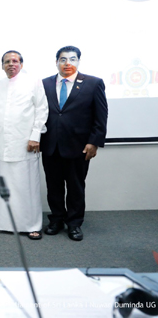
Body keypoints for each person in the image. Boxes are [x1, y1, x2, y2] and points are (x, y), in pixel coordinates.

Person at [40, 46, 108, 241]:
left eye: (72, 59)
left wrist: (94, 142)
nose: (67, 63)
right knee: (53, 186)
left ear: (78, 61)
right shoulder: (44, 84)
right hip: (51, 145)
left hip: (78, 146)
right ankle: (56, 220)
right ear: (56, 62)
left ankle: (74, 224)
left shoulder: (93, 83)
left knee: (76, 187)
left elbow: (101, 116)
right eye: (63, 59)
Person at [0, 51, 48, 240]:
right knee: (7, 186)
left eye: (15, 61)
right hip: (4, 144)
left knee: (27, 187)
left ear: (21, 64)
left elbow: (42, 109)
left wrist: (35, 136)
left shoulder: (33, 82)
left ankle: (32, 226)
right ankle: (7, 224)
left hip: (26, 143)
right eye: (7, 61)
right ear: (2, 66)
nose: (11, 64)